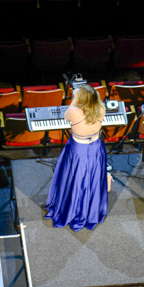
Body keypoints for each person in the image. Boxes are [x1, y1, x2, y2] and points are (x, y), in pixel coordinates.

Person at [43, 85, 110, 231]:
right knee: (92, 178)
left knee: (75, 178)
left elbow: (66, 116)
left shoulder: (74, 111)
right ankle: (89, 211)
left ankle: (73, 209)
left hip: (78, 149)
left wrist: (74, 98)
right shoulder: (102, 108)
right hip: (96, 148)